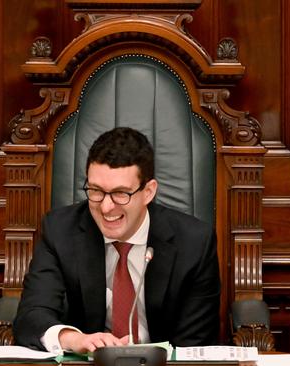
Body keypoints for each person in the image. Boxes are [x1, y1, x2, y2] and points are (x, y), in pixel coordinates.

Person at [13, 127, 220, 354]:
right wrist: (73, 339)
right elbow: (31, 317)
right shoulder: (60, 230)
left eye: (121, 193)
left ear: (149, 192)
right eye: (96, 191)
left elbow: (196, 344)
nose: (106, 207)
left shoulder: (194, 243)